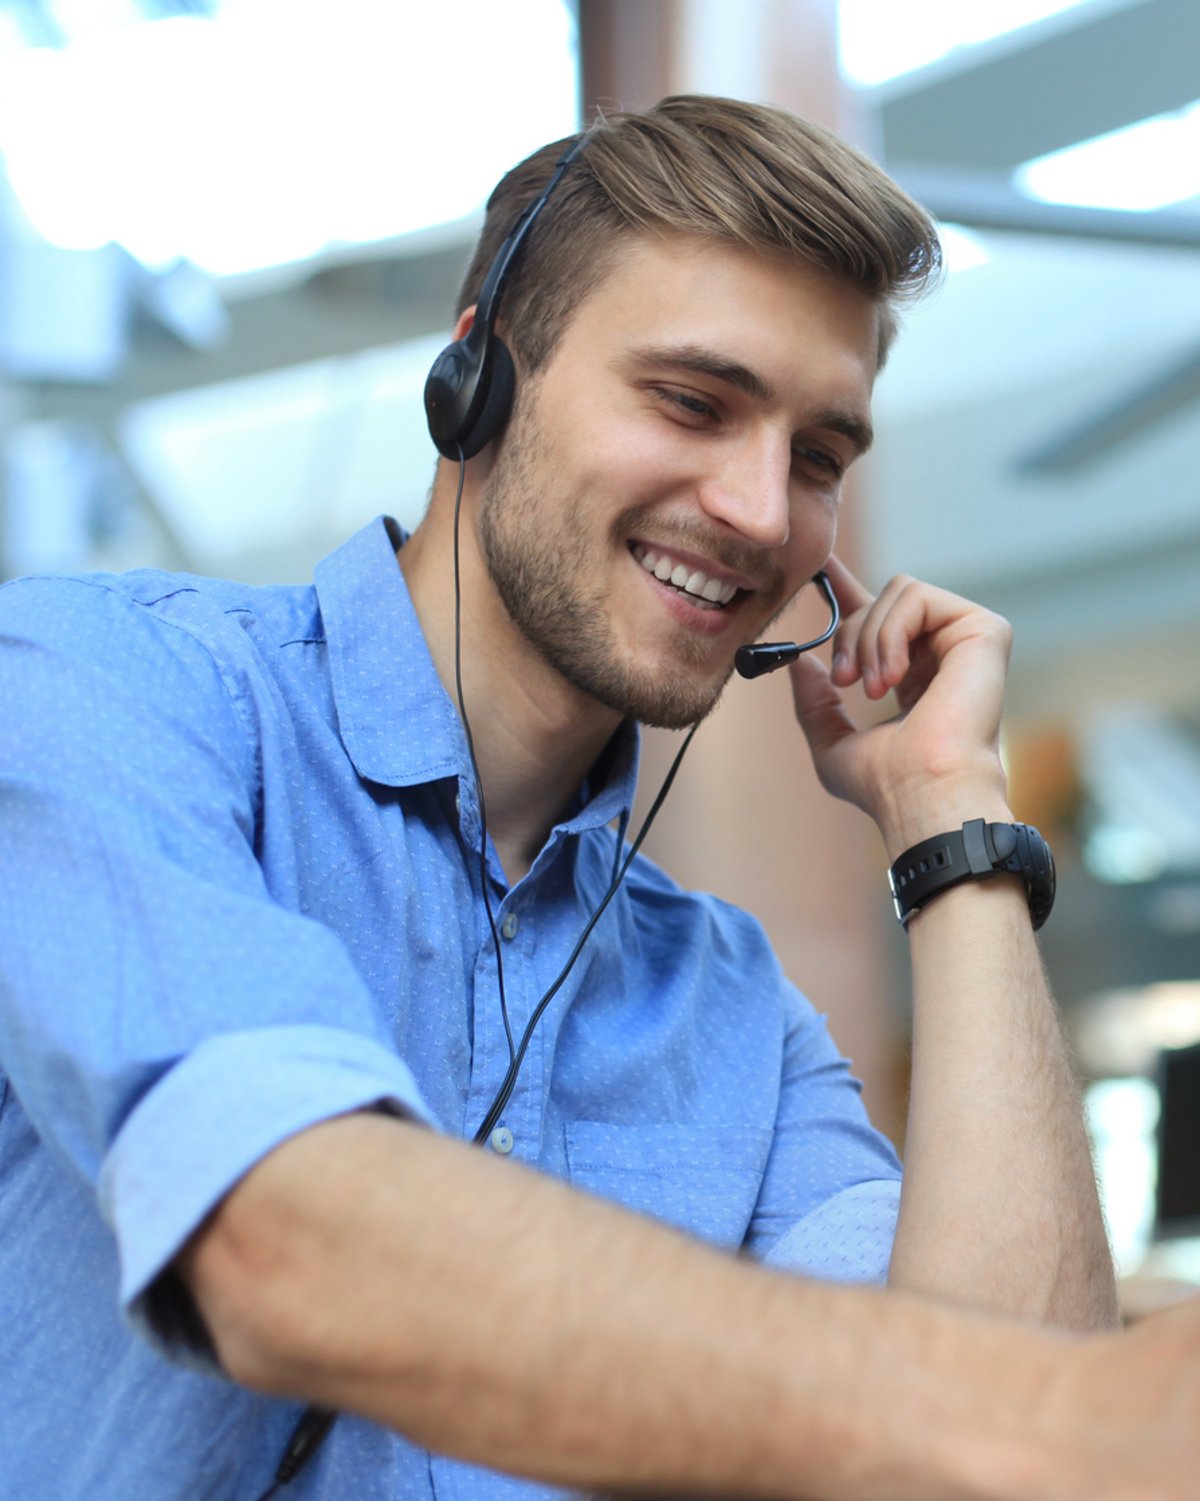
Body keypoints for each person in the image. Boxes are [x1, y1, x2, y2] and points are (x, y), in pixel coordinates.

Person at [0, 92, 1190, 1501]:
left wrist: (953, 828)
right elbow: (278, 1240)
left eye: (817, 454)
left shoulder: (734, 1013)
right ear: (475, 383)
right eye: (693, 400)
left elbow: (995, 1466)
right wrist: (1058, 1417)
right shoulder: (106, 690)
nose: (761, 509)